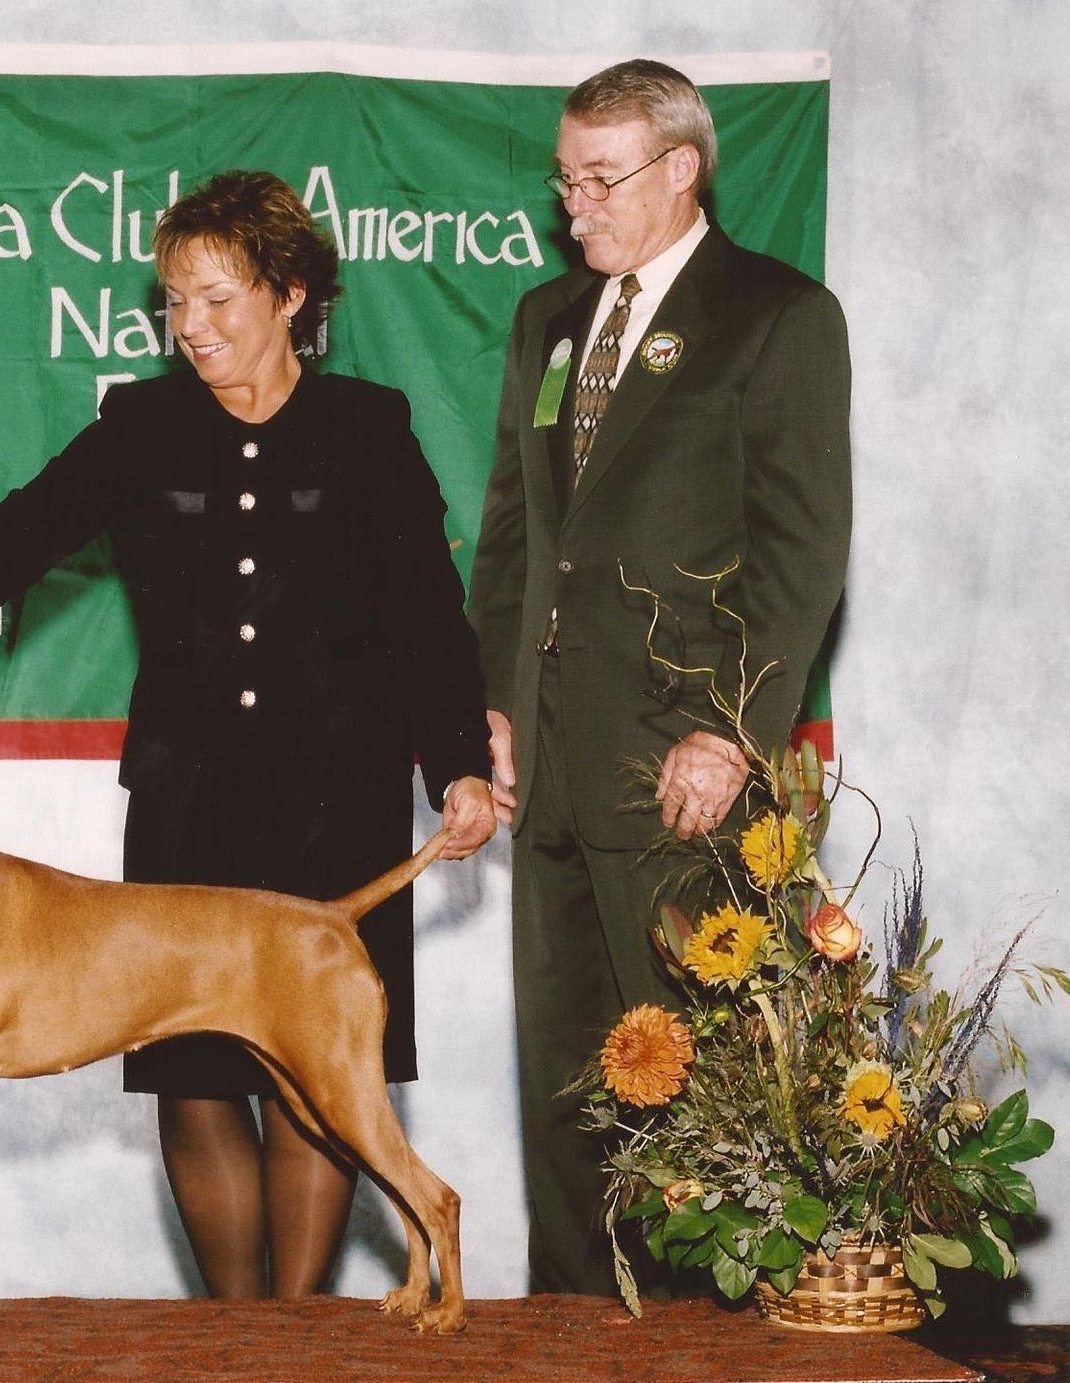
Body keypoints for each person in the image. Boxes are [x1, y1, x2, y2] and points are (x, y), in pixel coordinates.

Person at [0, 169, 495, 1301]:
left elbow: (429, 615)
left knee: (311, 1089)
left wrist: (460, 767)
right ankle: (226, 1337)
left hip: (340, 795)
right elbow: (28, 525)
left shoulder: (368, 429)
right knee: (191, 1085)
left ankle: (295, 1334)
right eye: (175, 302)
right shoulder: (138, 425)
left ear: (289, 296)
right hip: (193, 794)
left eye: (217, 300)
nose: (191, 328)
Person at [465, 60, 851, 1295]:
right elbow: (517, 532)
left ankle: (712, 1342)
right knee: (569, 1088)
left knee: (704, 1091)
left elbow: (799, 553)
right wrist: (489, 702)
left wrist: (728, 730)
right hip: (554, 763)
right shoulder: (545, 321)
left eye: (598, 178)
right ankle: (574, 1332)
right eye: (562, 180)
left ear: (680, 169)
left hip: (684, 765)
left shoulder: (778, 317)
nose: (572, 205)